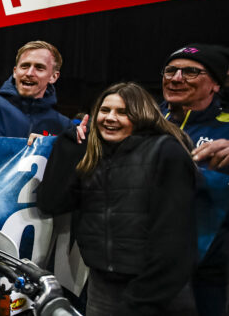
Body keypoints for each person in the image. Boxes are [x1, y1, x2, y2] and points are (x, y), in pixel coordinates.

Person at [37, 82, 197, 316]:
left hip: (156, 292)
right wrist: (69, 147)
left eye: (122, 112)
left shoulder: (166, 152)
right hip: (102, 287)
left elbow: (175, 239)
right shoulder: (94, 153)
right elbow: (51, 202)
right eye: (105, 110)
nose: (110, 118)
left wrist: (141, 299)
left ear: (142, 115)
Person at [159, 44, 229, 316]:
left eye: (190, 72)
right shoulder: (144, 119)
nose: (176, 78)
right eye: (171, 71)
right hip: (145, 259)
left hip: (208, 267)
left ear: (215, 84)